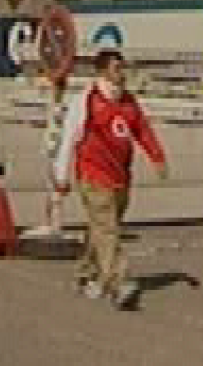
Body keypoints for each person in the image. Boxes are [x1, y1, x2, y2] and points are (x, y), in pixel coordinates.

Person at [51, 49, 168, 309]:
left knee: (101, 229)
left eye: (123, 68)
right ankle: (119, 282)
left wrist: (157, 158)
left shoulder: (128, 102)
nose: (122, 74)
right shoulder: (86, 101)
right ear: (102, 71)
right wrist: (61, 177)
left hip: (121, 176)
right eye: (117, 69)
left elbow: (142, 131)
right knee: (108, 229)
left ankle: (86, 274)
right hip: (93, 175)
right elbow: (69, 138)